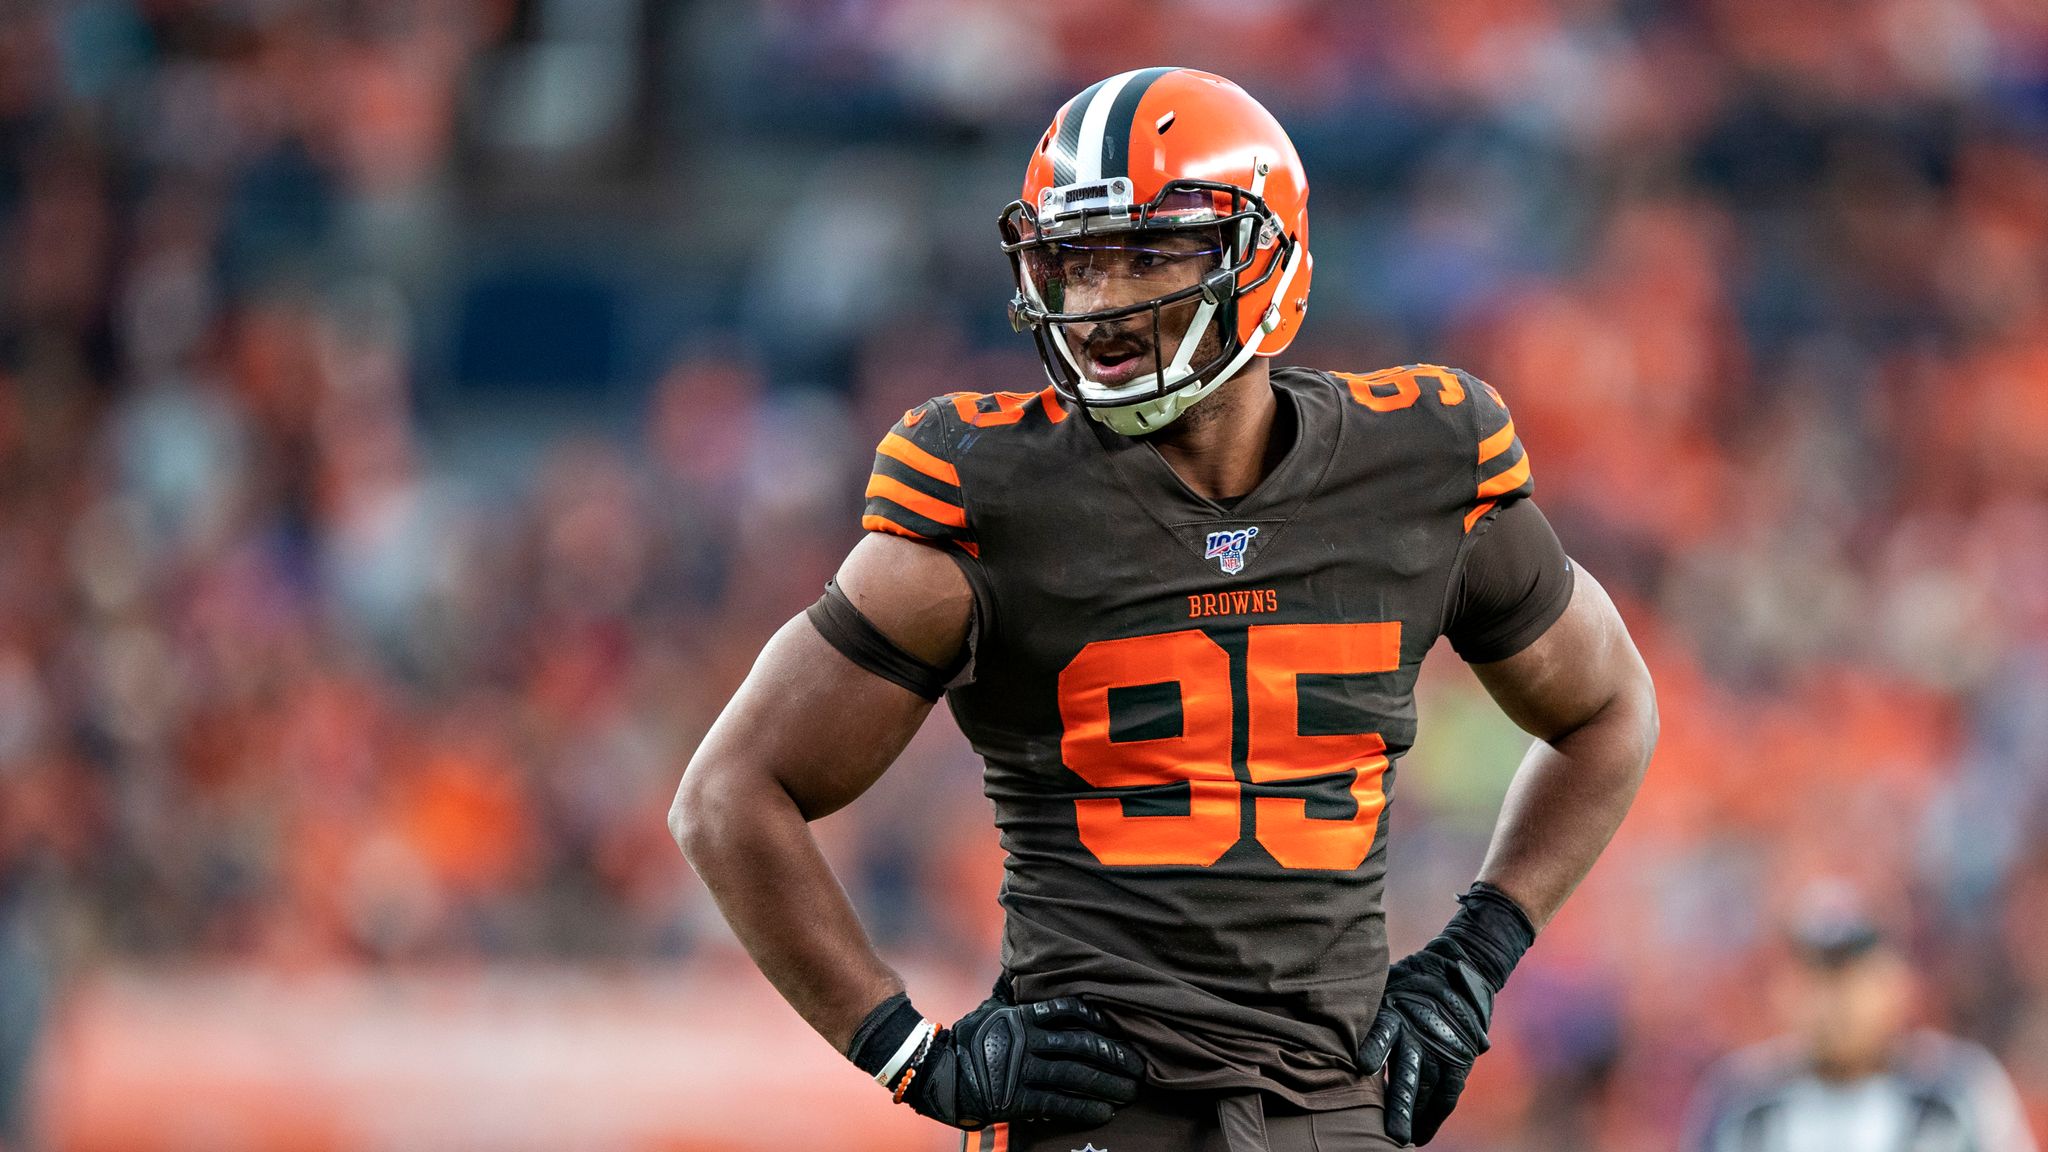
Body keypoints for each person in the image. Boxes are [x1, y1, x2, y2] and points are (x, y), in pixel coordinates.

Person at [671, 67, 1658, 1151]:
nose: (1101, 304)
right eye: (1076, 261)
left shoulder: (1416, 463)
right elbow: (728, 795)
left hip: (1335, 1103)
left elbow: (1607, 712)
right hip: (1096, 1110)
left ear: (1266, 259)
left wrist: (1474, 959)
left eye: (1148, 255)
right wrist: (912, 1052)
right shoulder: (988, 489)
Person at [1684, 897, 2039, 1152]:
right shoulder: (1740, 1102)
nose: (1836, 1003)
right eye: (1818, 981)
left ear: (1895, 986)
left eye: (1853, 980)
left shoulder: (1956, 1093)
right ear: (1784, 993)